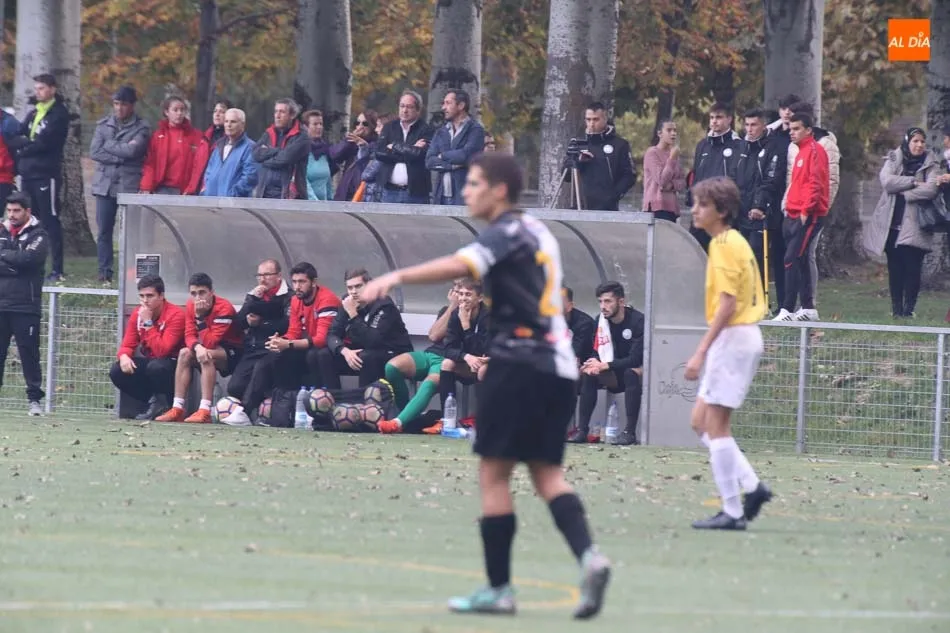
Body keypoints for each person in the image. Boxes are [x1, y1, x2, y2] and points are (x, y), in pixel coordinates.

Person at [359, 153, 611, 619]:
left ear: (499, 191)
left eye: (474, 183)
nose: (466, 191)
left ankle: (499, 589)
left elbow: (461, 263)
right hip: (558, 367)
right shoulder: (538, 231)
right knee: (546, 475)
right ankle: (589, 556)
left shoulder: (503, 231)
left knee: (494, 475)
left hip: (517, 364)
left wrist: (396, 276)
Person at [685, 176, 773, 530]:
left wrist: (700, 351)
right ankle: (752, 486)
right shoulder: (733, 240)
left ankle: (733, 511)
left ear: (721, 211)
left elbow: (727, 304)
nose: (695, 210)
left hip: (734, 337)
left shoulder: (723, 244)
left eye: (702, 204)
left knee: (717, 426)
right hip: (742, 337)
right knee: (699, 421)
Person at [221, 261, 341, 426]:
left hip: (332, 349)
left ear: (313, 282)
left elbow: (321, 339)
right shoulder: (296, 300)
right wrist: (280, 341)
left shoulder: (327, 299)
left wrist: (288, 344)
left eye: (302, 282)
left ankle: (324, 412)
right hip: (305, 347)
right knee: (269, 359)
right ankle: (248, 412)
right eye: (295, 282)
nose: (297, 286)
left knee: (315, 355)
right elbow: (293, 331)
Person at [867, 128, 939, 319]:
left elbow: (931, 189)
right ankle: (896, 310)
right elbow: (887, 181)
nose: (919, 145)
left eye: (922, 141)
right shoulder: (895, 158)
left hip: (916, 226)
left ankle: (909, 310)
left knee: (913, 270)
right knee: (895, 270)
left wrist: (904, 192)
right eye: (915, 141)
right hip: (892, 225)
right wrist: (913, 182)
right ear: (908, 142)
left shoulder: (930, 163)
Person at [155, 273, 244, 423]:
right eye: (193, 293)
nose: (198, 298)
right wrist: (197, 347)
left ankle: (205, 410)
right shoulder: (191, 305)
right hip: (205, 346)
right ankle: (177, 408)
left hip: (233, 351)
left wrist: (200, 318)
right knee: (184, 353)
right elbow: (189, 335)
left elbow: (211, 342)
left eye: (202, 292)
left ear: (211, 292)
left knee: (206, 354)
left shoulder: (224, 308)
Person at [7, 74, 69, 281]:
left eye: (41, 88)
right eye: (36, 88)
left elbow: (46, 143)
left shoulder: (58, 114)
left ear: (52, 89)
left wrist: (25, 146)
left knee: (49, 220)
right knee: (30, 219)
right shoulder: (34, 111)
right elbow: (17, 135)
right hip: (27, 173)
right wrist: (25, 144)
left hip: (46, 175)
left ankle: (57, 269)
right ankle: (32, 263)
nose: (38, 92)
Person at [88, 86, 151, 284]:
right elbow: (94, 152)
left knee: (131, 232)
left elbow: (132, 152)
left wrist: (109, 145)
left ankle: (133, 273)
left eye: (123, 104)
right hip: (104, 185)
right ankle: (104, 272)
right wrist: (119, 154)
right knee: (104, 231)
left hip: (128, 185)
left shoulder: (141, 128)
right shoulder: (103, 125)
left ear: (131, 105)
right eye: (116, 104)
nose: (119, 108)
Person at [570, 282, 644, 446]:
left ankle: (629, 432)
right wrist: (593, 363)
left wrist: (606, 365)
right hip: (611, 372)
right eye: (600, 301)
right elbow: (597, 350)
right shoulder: (600, 321)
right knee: (589, 374)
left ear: (621, 302)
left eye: (608, 301)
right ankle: (582, 430)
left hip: (633, 372)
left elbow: (635, 359)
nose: (603, 306)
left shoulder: (637, 321)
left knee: (631, 372)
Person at [772, 113, 829, 322]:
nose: (792, 132)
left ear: (808, 130)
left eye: (796, 129)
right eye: (790, 129)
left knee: (791, 258)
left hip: (809, 214)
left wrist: (806, 210)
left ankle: (787, 309)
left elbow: (816, 183)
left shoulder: (815, 150)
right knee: (801, 258)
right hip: (793, 212)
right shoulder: (800, 152)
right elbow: (798, 183)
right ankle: (808, 308)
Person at [220, 259, 291, 423]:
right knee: (234, 387)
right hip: (253, 348)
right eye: (259, 275)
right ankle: (248, 412)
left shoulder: (288, 296)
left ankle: (251, 413)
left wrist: (261, 323)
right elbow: (238, 322)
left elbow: (286, 324)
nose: (262, 279)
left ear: (279, 276)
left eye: (267, 275)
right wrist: (250, 312)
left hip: (274, 348)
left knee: (262, 373)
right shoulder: (254, 295)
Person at [317, 268, 413, 389]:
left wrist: (353, 314)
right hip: (364, 351)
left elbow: (373, 341)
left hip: (393, 352)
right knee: (324, 354)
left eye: (358, 286)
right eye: (350, 288)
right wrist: (344, 351)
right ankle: (333, 397)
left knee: (367, 356)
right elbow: (332, 334)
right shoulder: (348, 301)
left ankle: (365, 399)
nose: (353, 292)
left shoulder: (383, 304)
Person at [0, 192, 49, 415]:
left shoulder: (39, 235)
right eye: (9, 210)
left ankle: (34, 400)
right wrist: (15, 263)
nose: (12, 215)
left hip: (25, 306)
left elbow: (30, 260)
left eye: (16, 210)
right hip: (1, 304)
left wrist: (4, 256)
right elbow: (20, 262)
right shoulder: (2, 231)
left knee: (29, 354)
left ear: (27, 211)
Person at [110, 275, 186, 420]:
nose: (145, 300)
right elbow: (127, 344)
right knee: (117, 370)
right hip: (152, 362)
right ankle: (153, 402)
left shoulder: (176, 315)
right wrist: (124, 356)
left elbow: (162, 351)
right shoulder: (138, 314)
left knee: (157, 367)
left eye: (150, 296)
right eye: (142, 296)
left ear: (161, 296)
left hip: (173, 366)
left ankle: (167, 404)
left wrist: (148, 323)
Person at [564, 102, 636, 211]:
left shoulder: (620, 145)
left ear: (605, 119)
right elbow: (566, 176)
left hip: (608, 208)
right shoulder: (577, 143)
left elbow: (629, 175)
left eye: (596, 119)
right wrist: (578, 161)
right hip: (580, 206)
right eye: (588, 120)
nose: (592, 123)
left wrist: (613, 196)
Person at [426, 89, 485, 205]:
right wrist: (453, 165)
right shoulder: (441, 132)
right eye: (443, 103)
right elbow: (429, 161)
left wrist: (442, 156)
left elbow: (466, 156)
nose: (443, 107)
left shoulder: (475, 130)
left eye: (448, 103)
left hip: (465, 196)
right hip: (441, 196)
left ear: (461, 105)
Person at [374, 91, 434, 204]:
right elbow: (379, 153)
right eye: (402, 106)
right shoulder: (389, 127)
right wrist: (410, 149)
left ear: (418, 110)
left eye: (409, 107)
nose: (404, 110)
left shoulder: (426, 129)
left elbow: (420, 155)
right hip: (389, 191)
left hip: (416, 193)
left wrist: (395, 146)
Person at [139, 96, 203, 195]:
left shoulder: (196, 136)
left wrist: (191, 188)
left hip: (186, 190)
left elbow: (199, 165)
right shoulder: (158, 136)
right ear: (166, 112)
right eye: (175, 110)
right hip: (163, 188)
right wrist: (146, 186)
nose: (179, 113)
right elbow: (150, 163)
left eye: (182, 110)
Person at [253, 99, 309, 199]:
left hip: (289, 195)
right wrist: (278, 150)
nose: (277, 116)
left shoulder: (301, 136)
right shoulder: (269, 132)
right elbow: (256, 154)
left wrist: (265, 159)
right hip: (264, 193)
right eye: (276, 111)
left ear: (292, 115)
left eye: (282, 112)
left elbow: (284, 159)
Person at [199, 108, 258, 197]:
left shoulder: (250, 147)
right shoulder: (218, 146)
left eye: (233, 122)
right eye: (226, 121)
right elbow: (209, 172)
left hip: (234, 202)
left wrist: (232, 194)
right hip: (212, 201)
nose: (228, 125)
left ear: (242, 124)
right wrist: (206, 191)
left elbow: (250, 177)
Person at [642, 120, 687, 221]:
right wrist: (671, 159)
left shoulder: (674, 154)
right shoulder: (652, 153)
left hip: (672, 207)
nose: (673, 133)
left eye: (675, 130)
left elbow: (683, 181)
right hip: (656, 207)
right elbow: (661, 180)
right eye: (669, 130)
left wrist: (672, 185)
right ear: (660, 133)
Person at [330, 110, 378, 201]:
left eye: (365, 124)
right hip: (346, 191)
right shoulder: (351, 144)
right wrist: (348, 140)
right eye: (357, 123)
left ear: (372, 126)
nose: (360, 126)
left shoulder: (376, 144)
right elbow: (335, 155)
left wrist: (364, 147)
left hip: (363, 193)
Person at [303, 110, 336, 201]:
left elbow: (327, 182)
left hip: (323, 205)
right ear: (306, 127)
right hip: (305, 204)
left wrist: (331, 203)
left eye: (321, 124)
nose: (319, 127)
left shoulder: (324, 151)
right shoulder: (301, 150)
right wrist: (315, 203)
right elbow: (302, 181)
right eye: (315, 124)